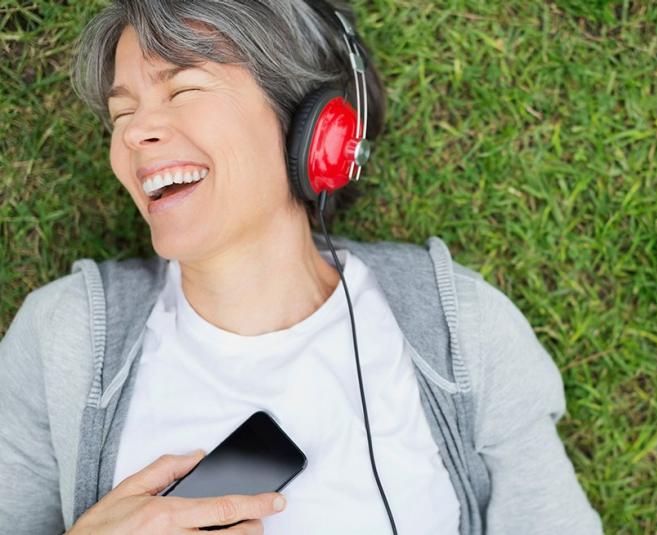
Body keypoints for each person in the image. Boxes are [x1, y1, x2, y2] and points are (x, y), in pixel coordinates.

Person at [0, 1, 603, 534]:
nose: (135, 135)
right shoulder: (64, 337)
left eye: (182, 90)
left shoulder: (463, 331)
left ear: (311, 127)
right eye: (122, 113)